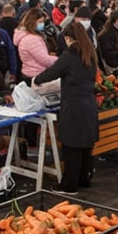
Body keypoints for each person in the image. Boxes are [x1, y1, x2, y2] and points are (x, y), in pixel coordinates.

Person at [33, 23, 100, 195]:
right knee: (86, 145)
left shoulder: (70, 55)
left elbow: (51, 73)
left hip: (74, 105)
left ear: (69, 38)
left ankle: (69, 185)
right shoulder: (90, 52)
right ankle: (84, 179)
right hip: (89, 103)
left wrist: (35, 80)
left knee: (72, 145)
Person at [14, 9, 57, 85]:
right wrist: (59, 59)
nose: (42, 24)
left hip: (29, 72)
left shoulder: (26, 36)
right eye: (40, 22)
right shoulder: (31, 39)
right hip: (35, 75)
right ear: (32, 22)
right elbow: (44, 60)